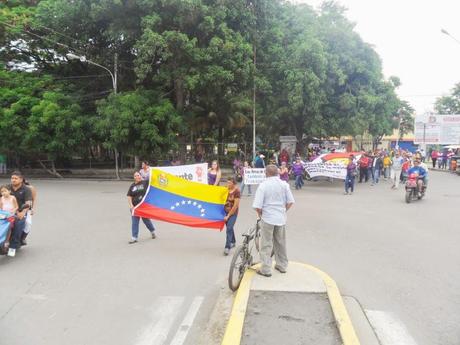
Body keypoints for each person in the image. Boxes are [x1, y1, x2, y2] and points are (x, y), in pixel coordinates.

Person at [253, 165, 295, 277]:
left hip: (267, 218)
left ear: (266, 173)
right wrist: (283, 211)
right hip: (280, 218)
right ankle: (282, 265)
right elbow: (290, 201)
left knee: (266, 244)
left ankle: (266, 269)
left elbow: (257, 206)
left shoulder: (263, 186)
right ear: (277, 173)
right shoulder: (284, 185)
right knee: (280, 242)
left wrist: (261, 215)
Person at [7, 171, 32, 257]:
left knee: (24, 223)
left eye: (15, 178)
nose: (13, 180)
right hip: (6, 211)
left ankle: (14, 245)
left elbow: (28, 203)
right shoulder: (7, 187)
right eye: (12, 178)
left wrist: (23, 212)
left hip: (22, 210)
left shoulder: (26, 189)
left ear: (21, 180)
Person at [127, 171, 156, 244]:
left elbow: (153, 179)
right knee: (135, 222)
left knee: (146, 221)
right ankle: (134, 238)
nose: (138, 177)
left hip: (143, 206)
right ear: (134, 178)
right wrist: (131, 206)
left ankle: (152, 231)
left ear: (141, 176)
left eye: (138, 175)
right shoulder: (132, 186)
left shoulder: (145, 183)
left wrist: (153, 171)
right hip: (135, 207)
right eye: (136, 176)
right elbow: (129, 196)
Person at [223, 177, 241, 256]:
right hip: (225, 212)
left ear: (234, 184)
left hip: (233, 213)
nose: (228, 184)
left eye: (230, 183)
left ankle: (227, 247)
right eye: (227, 182)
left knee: (229, 228)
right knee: (229, 228)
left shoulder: (237, 191)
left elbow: (235, 206)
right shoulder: (225, 189)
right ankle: (233, 241)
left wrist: (228, 215)